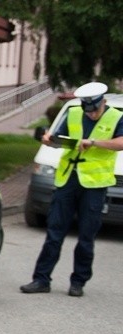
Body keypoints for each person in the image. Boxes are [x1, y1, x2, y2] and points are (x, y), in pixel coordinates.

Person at [20, 82, 123, 297]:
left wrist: (94, 142)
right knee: (54, 232)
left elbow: (120, 142)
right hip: (67, 179)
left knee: (86, 235)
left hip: (95, 185)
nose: (92, 114)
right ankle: (41, 279)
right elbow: (58, 137)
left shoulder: (116, 116)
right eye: (89, 110)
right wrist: (49, 140)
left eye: (95, 110)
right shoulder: (75, 113)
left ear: (102, 102)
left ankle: (78, 282)